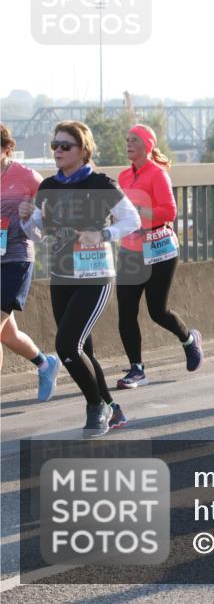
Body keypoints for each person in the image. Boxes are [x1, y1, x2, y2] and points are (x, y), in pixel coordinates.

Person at [20, 121, 141, 436]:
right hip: (61, 276)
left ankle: (95, 407)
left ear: (83, 150)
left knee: (67, 346)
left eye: (65, 146)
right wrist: (26, 220)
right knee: (83, 351)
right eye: (54, 145)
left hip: (94, 276)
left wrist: (102, 233)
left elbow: (132, 220)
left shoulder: (101, 184)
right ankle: (114, 409)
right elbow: (37, 233)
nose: (58, 151)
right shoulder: (48, 187)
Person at [115, 124, 202, 389]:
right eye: (127, 139)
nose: (128, 144)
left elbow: (169, 212)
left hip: (158, 248)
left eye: (134, 140)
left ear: (147, 145)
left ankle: (189, 339)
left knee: (157, 311)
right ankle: (136, 369)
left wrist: (142, 210)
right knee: (126, 313)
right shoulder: (123, 177)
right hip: (130, 250)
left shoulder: (157, 174)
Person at [0, 123, 60, 401]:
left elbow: (52, 214)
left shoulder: (27, 177)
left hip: (16, 259)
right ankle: (44, 363)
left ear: (7, 148)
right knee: (7, 334)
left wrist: (32, 212)